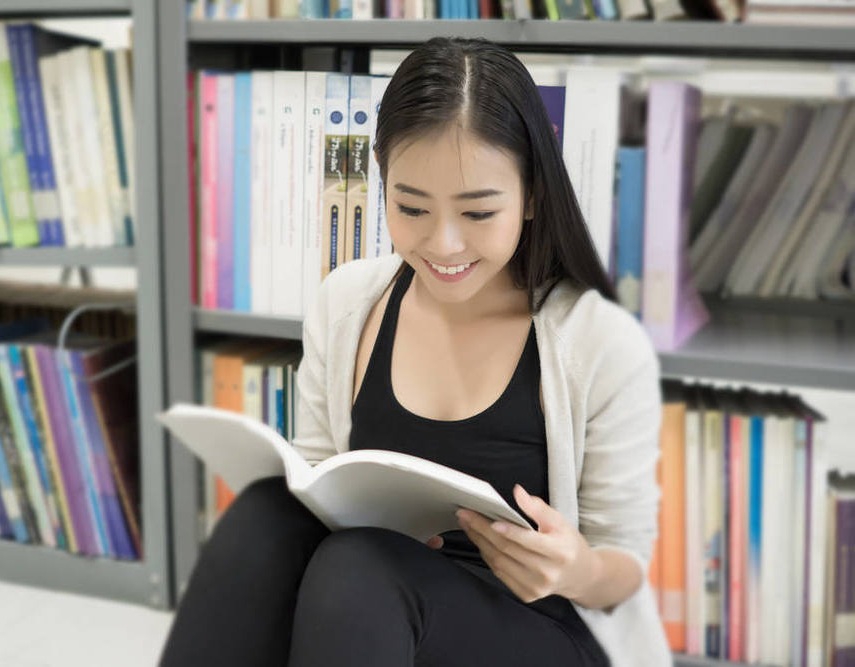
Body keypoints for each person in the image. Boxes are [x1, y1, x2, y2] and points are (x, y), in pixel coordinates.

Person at [160, 37, 669, 667]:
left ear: (533, 195)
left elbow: (623, 572)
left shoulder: (598, 341)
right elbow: (318, 484)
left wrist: (573, 568)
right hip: (371, 607)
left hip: (540, 625)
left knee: (358, 570)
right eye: (411, 208)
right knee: (269, 515)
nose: (443, 244)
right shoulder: (347, 303)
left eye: (478, 212)